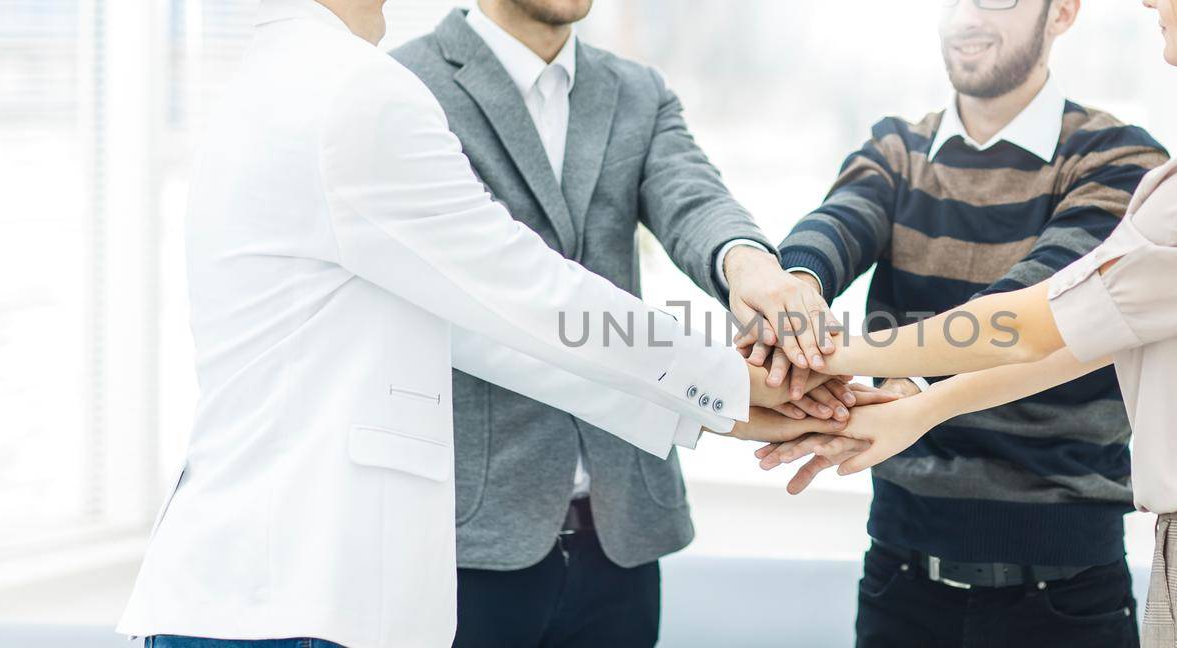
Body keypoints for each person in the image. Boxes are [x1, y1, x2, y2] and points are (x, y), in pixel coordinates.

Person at [115, 1, 843, 647]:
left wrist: (718, 408)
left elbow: (485, 337)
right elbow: (529, 291)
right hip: (300, 599)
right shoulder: (360, 91)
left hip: (255, 590)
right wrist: (723, 383)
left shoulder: (273, 79)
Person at [768, 0, 1177, 645]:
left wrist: (836, 355)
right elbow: (1089, 330)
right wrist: (909, 400)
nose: (1150, 1)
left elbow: (1035, 318)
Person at [388, 2, 852, 645]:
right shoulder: (403, 86)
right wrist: (725, 390)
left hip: (622, 532)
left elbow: (694, 200)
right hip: (472, 536)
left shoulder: (638, 90)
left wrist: (750, 269)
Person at [770, 0, 1166, 645]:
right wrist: (794, 297)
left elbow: (1030, 304)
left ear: (1062, 12)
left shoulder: (1120, 160)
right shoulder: (897, 146)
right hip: (899, 579)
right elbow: (838, 221)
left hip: (1065, 595)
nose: (964, 17)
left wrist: (911, 385)